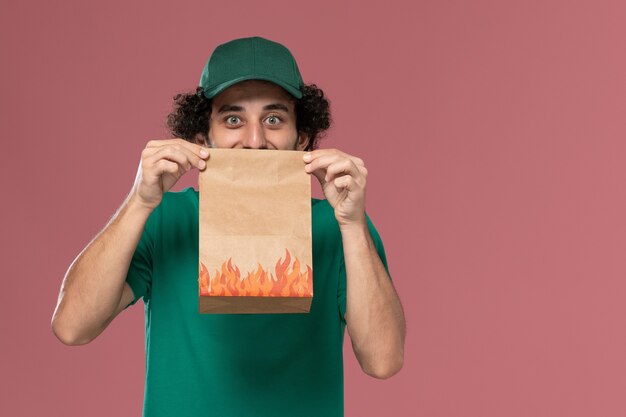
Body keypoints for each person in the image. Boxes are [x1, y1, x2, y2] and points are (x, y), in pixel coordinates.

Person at [52, 36, 405, 417]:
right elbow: (73, 327)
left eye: (273, 119)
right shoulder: (165, 218)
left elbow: (383, 361)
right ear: (204, 137)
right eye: (233, 119)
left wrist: (352, 224)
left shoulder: (335, 225)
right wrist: (140, 201)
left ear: (301, 139)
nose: (254, 141)